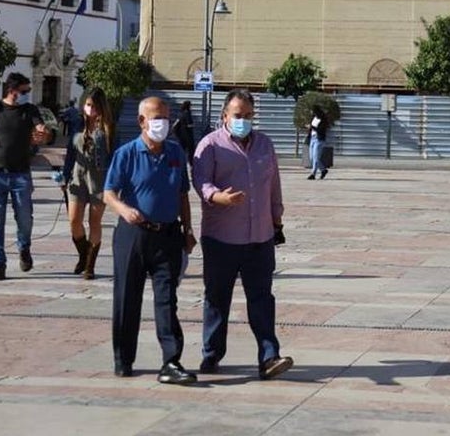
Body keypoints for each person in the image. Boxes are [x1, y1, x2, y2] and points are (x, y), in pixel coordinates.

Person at [192, 89, 294, 380]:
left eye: (249, 116)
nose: (244, 121)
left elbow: (273, 183)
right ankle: (211, 354)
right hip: (221, 238)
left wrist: (277, 219)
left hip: (259, 238)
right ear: (225, 116)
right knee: (217, 299)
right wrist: (216, 197)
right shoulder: (209, 146)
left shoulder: (264, 144)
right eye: (238, 116)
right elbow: (200, 180)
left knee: (262, 299)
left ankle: (269, 356)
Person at [104, 96, 197, 384]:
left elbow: (183, 194)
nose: (163, 123)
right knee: (126, 298)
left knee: (167, 300)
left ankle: (171, 361)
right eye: (157, 118)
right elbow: (108, 193)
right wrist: (124, 210)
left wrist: (188, 229)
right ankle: (123, 357)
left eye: (166, 118)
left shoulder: (175, 152)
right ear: (142, 121)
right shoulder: (127, 153)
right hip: (133, 236)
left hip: (167, 235)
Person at [0, 72, 50, 281]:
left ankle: (24, 248)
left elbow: (42, 130)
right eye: (24, 91)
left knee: (25, 219)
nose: (27, 94)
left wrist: (44, 133)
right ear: (12, 91)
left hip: (21, 175)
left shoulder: (30, 110)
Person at [62, 88, 113, 279]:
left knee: (94, 222)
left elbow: (115, 156)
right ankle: (83, 255)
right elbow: (70, 153)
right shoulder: (77, 124)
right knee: (74, 221)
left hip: (99, 178)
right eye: (88, 105)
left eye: (94, 106)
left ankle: (90, 266)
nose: (90, 109)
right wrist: (64, 175)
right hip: (77, 175)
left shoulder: (109, 127)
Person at [306, 105, 330, 180]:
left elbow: (321, 130)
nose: (311, 112)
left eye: (312, 111)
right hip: (312, 138)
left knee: (316, 157)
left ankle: (313, 174)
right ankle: (323, 170)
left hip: (319, 140)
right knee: (312, 158)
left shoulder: (323, 119)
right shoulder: (314, 118)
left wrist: (311, 127)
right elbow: (311, 129)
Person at [172, 100, 196, 165]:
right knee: (191, 151)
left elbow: (176, 123)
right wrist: (193, 125)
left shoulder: (180, 113)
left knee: (182, 150)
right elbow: (189, 124)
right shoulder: (187, 113)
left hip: (181, 135)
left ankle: (180, 162)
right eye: (190, 106)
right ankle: (191, 163)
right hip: (188, 135)